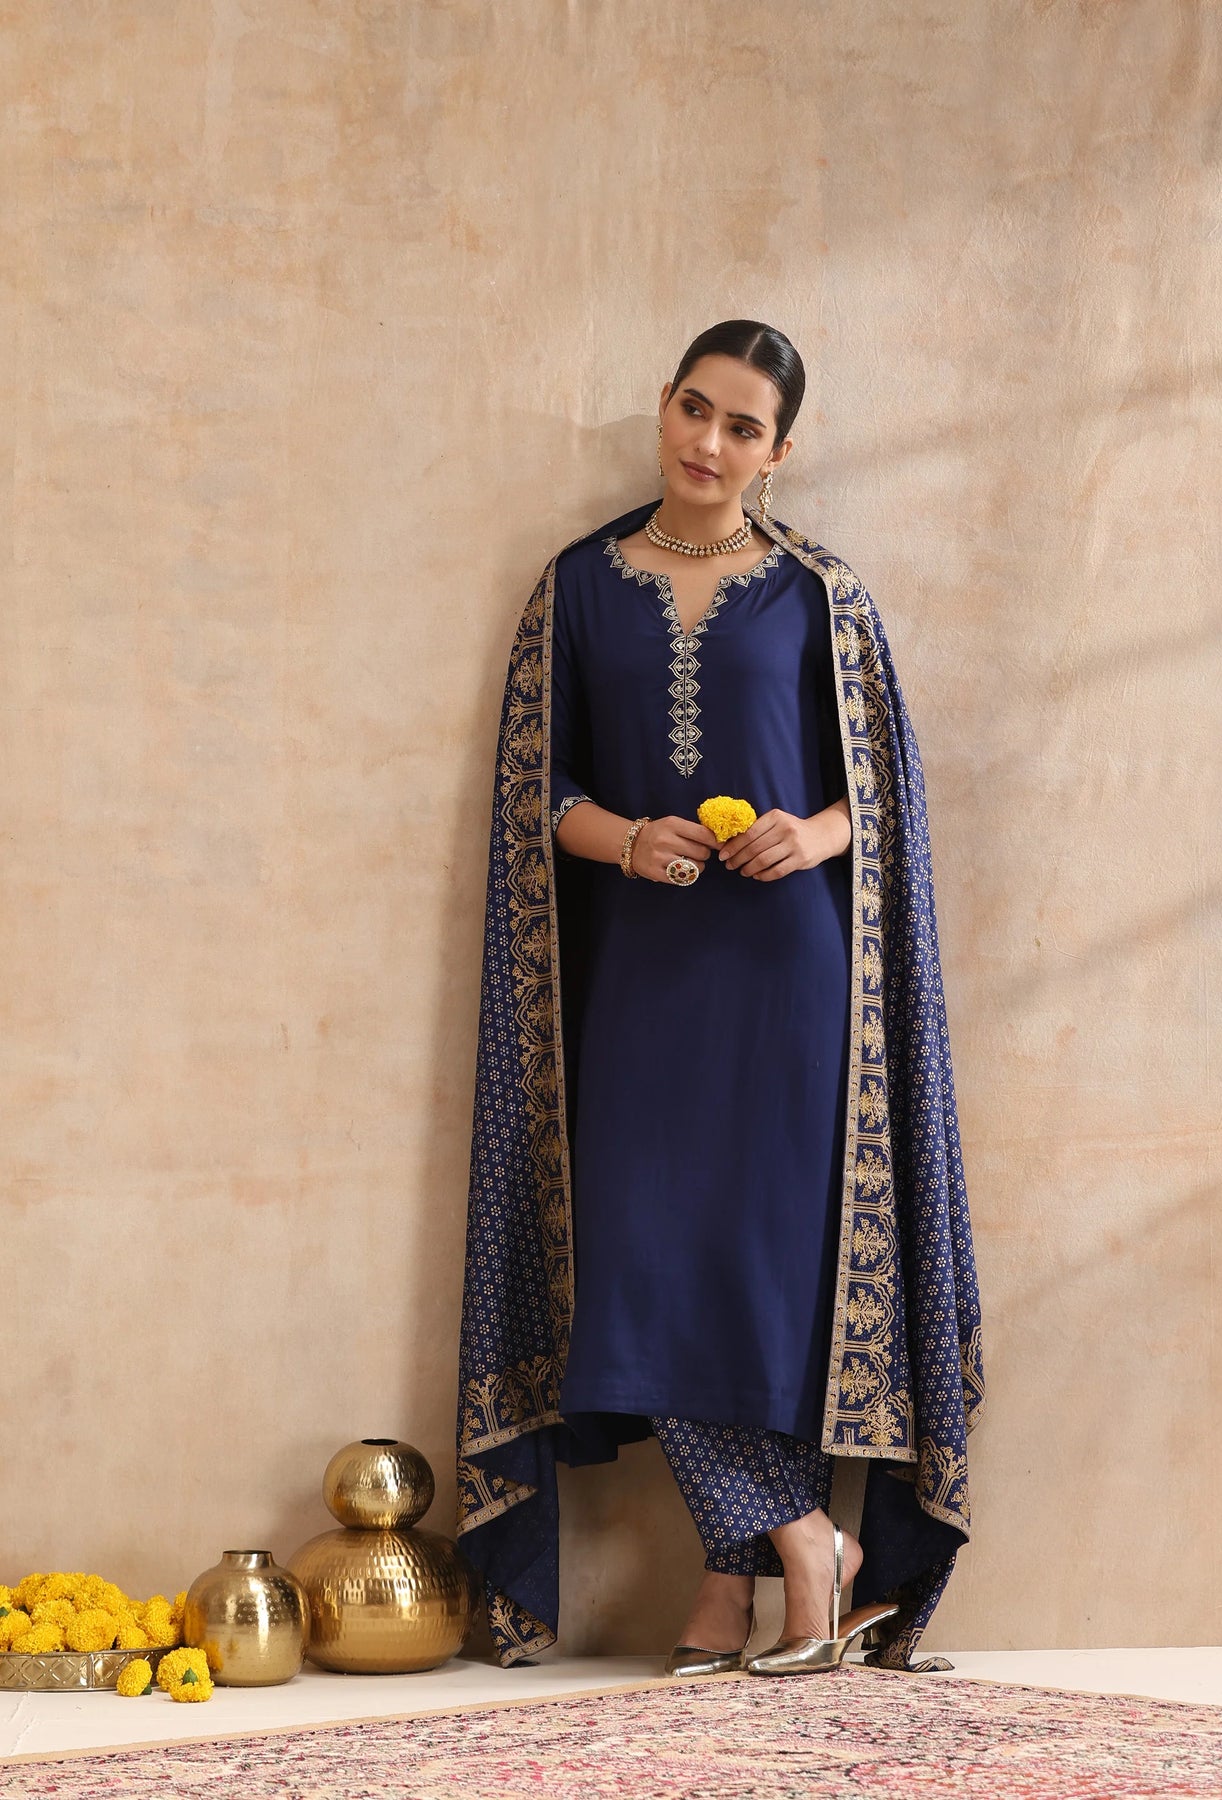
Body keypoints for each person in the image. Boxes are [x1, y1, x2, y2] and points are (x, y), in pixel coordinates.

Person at [455, 320, 983, 1678]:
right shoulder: (576, 585)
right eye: (695, 409)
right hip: (640, 971)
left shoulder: (820, 594)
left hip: (789, 976)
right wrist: (626, 839)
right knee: (641, 1263)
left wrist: (813, 832)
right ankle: (808, 1543)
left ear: (779, 451)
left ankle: (721, 1588)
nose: (707, 442)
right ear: (663, 406)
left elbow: (884, 796)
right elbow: (536, 790)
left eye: (742, 427)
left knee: (762, 1283)